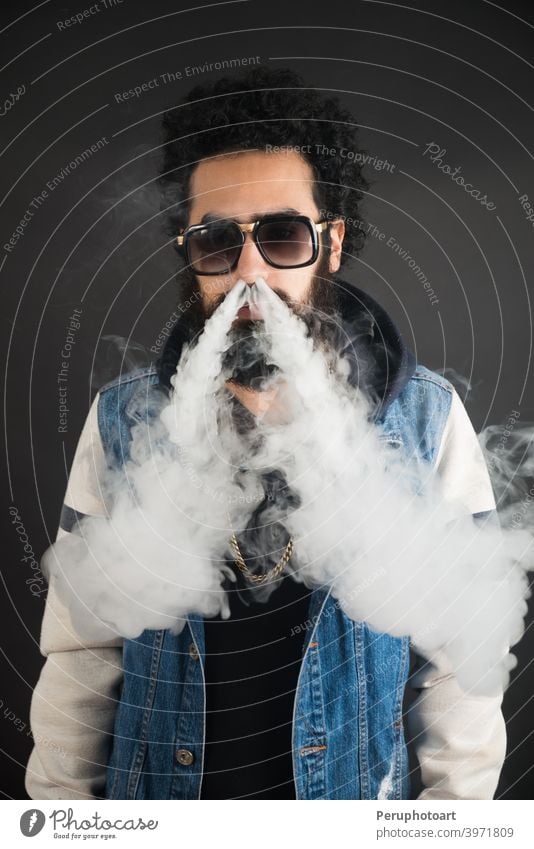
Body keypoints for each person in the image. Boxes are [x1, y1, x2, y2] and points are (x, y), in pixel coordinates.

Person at [25, 67, 504, 801]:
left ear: (332, 241)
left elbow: (461, 681)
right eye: (219, 241)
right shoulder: (121, 423)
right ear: (190, 254)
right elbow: (82, 658)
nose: (250, 270)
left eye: (282, 234)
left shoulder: (428, 423)